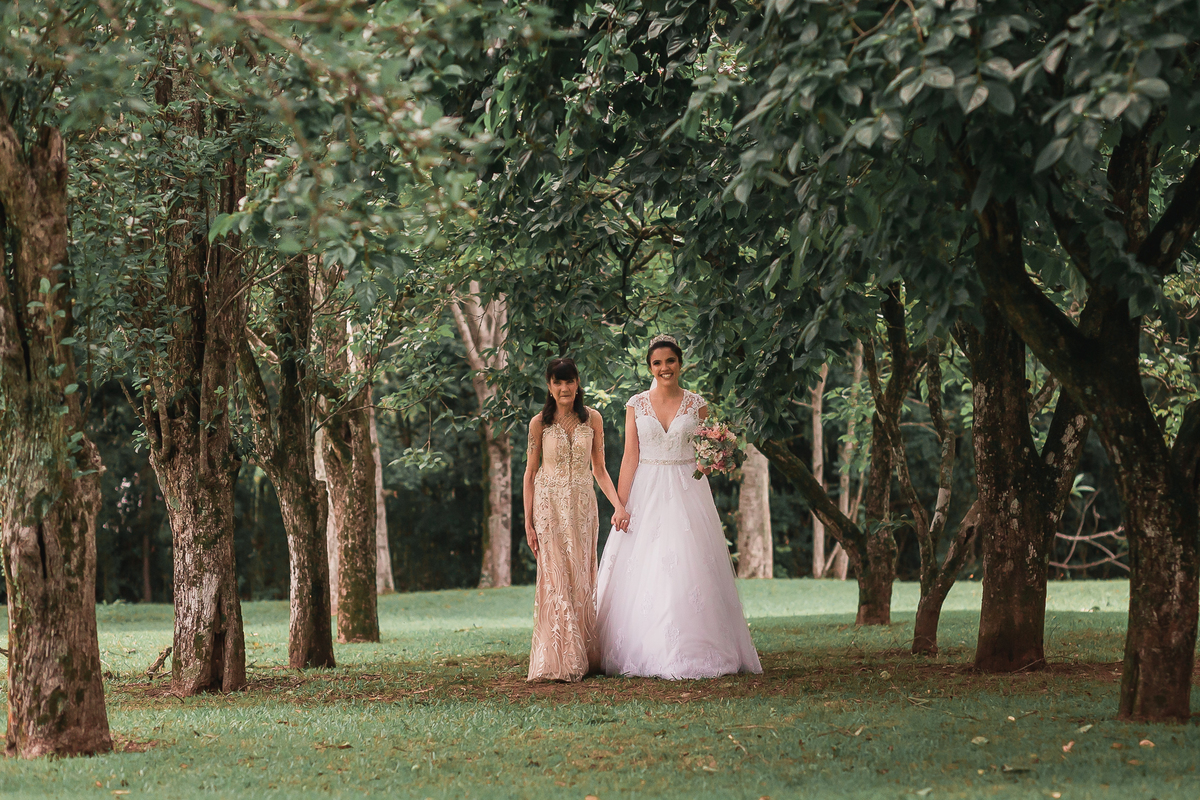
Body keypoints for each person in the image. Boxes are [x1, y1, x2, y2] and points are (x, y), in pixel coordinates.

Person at [595, 334, 762, 679]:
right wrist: (621, 505)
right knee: (648, 564)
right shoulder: (636, 404)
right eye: (657, 363)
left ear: (680, 363)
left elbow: (705, 448)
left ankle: (695, 647)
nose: (664, 368)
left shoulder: (696, 403)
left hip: (687, 490)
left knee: (688, 562)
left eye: (670, 361)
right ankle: (646, 646)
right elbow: (630, 456)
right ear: (649, 367)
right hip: (647, 488)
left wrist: (714, 459)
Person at [525, 358, 630, 681]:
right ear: (549, 386)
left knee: (581, 577)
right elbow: (530, 474)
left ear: (578, 382)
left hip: (583, 507)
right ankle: (560, 658)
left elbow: (599, 468)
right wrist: (528, 523)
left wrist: (619, 506)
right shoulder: (539, 423)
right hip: (549, 507)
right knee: (555, 577)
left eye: (569, 381)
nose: (564, 388)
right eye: (557, 382)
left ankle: (584, 652)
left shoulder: (593, 419)